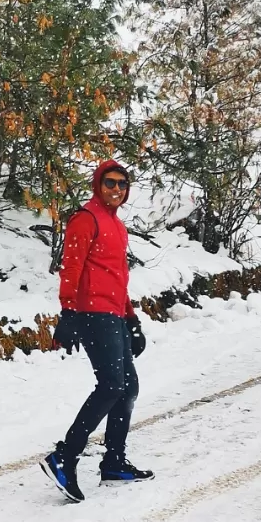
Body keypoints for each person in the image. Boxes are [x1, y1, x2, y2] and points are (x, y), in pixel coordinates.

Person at [41, 159, 152, 503]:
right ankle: (64, 456)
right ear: (97, 185)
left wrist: (131, 319)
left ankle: (114, 462)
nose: (116, 190)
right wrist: (69, 311)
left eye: (122, 184)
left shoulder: (117, 226)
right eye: (110, 183)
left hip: (114, 314)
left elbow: (118, 276)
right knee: (111, 387)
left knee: (128, 387)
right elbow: (71, 267)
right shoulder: (85, 219)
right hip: (92, 313)